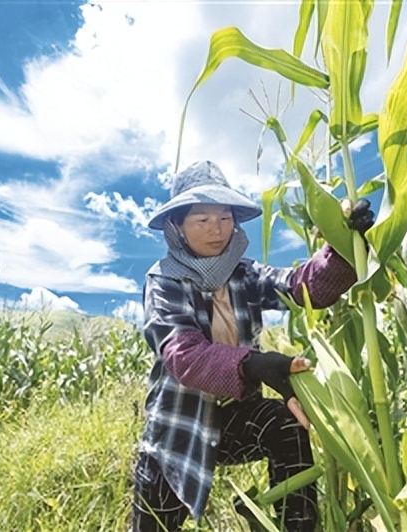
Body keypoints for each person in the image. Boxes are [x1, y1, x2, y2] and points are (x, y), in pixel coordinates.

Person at [132, 160, 374, 532]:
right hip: (179, 429)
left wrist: (342, 244)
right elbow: (184, 356)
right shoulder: (164, 280)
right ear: (177, 226)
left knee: (286, 426)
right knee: (156, 524)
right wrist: (255, 365)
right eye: (202, 220)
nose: (217, 229)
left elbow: (302, 287)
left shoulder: (244, 274)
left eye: (225, 217)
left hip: (233, 419)